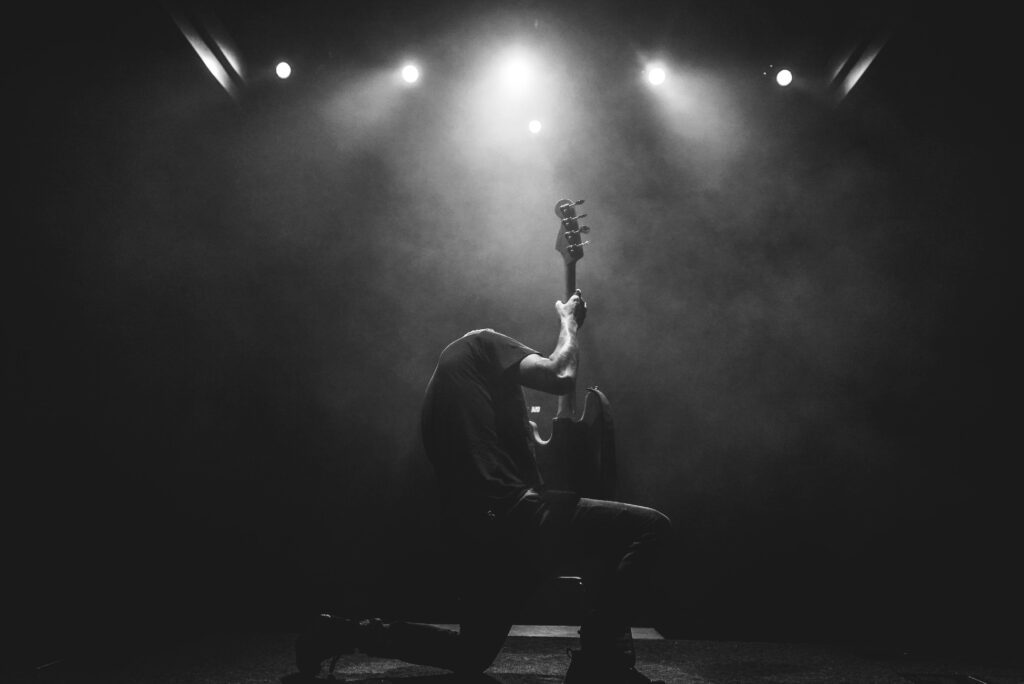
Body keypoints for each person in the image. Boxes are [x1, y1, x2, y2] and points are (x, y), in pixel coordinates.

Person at [296, 289, 671, 683]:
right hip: (517, 516)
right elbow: (559, 374)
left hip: (481, 535)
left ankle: (340, 632)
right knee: (650, 528)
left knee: (470, 654)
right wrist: (569, 322)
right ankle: (600, 657)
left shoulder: (448, 389)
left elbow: (503, 460)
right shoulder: (483, 342)